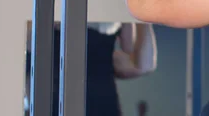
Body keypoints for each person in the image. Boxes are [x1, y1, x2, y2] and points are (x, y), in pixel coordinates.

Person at [24, 22, 158, 116]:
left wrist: (142, 12)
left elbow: (142, 63)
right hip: (59, 102)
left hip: (101, 105)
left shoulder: (105, 56)